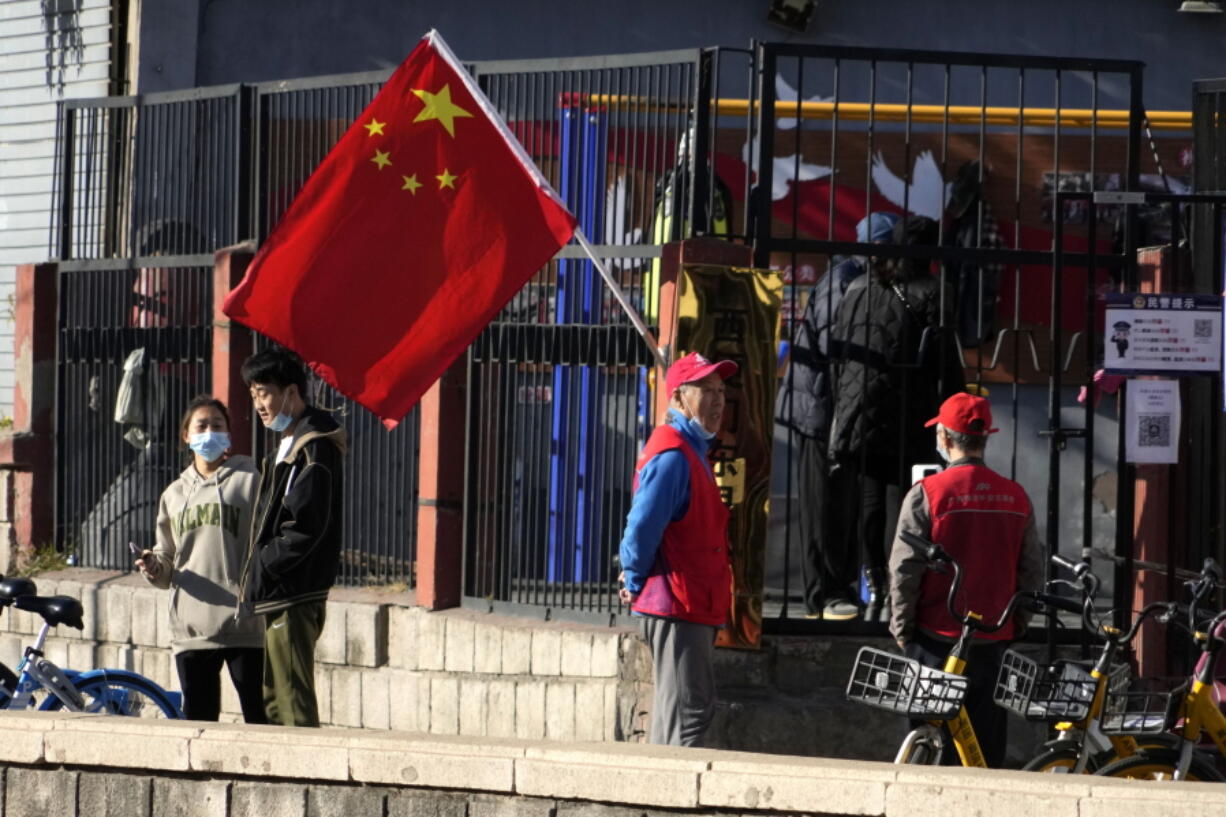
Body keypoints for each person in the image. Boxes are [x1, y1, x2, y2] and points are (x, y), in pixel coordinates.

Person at [888, 392, 1044, 767]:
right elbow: (1031, 570)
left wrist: (902, 628)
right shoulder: (1016, 496)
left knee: (926, 746)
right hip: (992, 641)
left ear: (943, 438)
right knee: (983, 754)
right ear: (985, 438)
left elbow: (904, 569)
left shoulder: (927, 494)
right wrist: (1017, 622)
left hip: (933, 638)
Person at [827, 215, 966, 621]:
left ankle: (874, 586)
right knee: (902, 501)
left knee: (869, 501)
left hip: (855, 411)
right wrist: (954, 407)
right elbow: (944, 359)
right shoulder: (933, 291)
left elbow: (838, 353)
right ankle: (895, 591)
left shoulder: (857, 287)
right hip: (907, 413)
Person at [776, 212, 899, 620]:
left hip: (835, 408)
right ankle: (821, 595)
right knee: (822, 502)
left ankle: (837, 587)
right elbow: (833, 348)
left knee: (841, 500)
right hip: (820, 409)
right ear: (879, 247)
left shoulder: (859, 277)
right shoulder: (844, 278)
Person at [618, 351, 737, 746]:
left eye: (721, 390)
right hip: (676, 602)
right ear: (677, 399)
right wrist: (633, 578)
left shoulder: (691, 452)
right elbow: (641, 526)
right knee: (686, 716)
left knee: (684, 712)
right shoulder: (673, 456)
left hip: (688, 603)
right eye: (705, 389)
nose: (718, 399)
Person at [135, 396, 266, 723]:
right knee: (199, 722)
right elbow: (167, 565)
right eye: (202, 426)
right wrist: (152, 566)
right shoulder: (174, 494)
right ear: (186, 435)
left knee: (260, 719)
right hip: (191, 627)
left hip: (245, 622)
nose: (210, 432)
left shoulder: (251, 480)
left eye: (217, 425)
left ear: (229, 434)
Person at [238, 348, 347, 727]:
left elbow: (306, 525)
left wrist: (267, 562)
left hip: (294, 591)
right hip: (280, 591)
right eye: (253, 395)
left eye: (264, 393)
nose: (259, 404)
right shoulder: (287, 446)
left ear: (291, 392)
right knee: (274, 703)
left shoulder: (312, 448)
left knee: (293, 703)